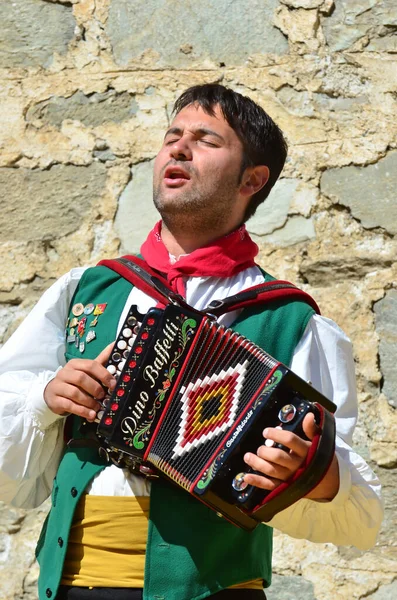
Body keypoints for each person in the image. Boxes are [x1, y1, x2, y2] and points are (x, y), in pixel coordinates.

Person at [0, 83, 383, 600]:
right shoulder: (87, 290)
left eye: (205, 139)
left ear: (253, 179)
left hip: (213, 590)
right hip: (72, 584)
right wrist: (46, 397)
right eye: (172, 135)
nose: (178, 148)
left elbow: (356, 516)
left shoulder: (289, 320)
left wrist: (308, 470)